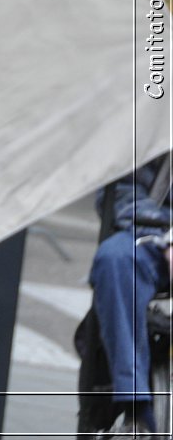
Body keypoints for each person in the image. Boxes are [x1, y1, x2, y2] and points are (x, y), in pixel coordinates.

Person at [87, 156, 172, 435]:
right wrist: (167, 238)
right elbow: (121, 192)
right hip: (156, 232)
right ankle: (136, 409)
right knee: (115, 259)